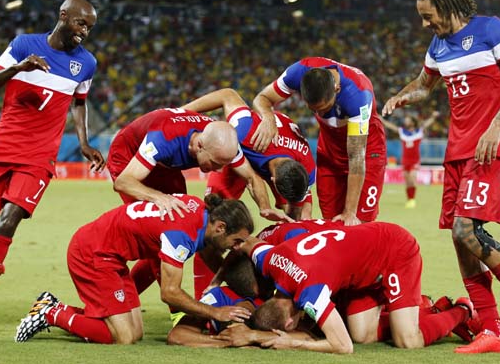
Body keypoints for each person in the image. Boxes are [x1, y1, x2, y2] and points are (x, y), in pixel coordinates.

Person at [382, 0, 500, 354]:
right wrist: (401, 96)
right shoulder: (438, 46)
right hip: (457, 152)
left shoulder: (492, 30)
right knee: (460, 242)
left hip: (490, 146)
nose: (425, 24)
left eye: (428, 16)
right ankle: (492, 331)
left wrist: (496, 127)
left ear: (446, 5)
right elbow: (425, 85)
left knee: (466, 231)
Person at [0, 0, 106, 332]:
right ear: (63, 16)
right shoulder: (23, 45)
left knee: (7, 222)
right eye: (81, 24)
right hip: (1, 147)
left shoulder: (86, 63)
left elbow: (80, 103)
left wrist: (83, 142)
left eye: (90, 28)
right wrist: (19, 69)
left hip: (38, 157)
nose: (84, 33)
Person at [14, 194, 254, 344]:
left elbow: (154, 261)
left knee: (136, 331)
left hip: (112, 257)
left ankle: (58, 308)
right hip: (92, 254)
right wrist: (215, 313)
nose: (237, 247)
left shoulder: (200, 210)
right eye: (236, 241)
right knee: (124, 338)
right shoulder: (181, 235)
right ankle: (50, 312)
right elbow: (169, 292)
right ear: (220, 227)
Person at [106, 105, 289, 300]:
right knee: (164, 232)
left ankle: (123, 298)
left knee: (187, 226)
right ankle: (172, 310)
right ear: (199, 146)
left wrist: (264, 207)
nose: (218, 171)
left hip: (164, 166)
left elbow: (252, 177)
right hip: (128, 156)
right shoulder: (163, 139)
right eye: (215, 164)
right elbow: (123, 182)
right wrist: (158, 197)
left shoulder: (221, 142)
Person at [238, 222, 475, 354]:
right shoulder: (271, 262)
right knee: (363, 335)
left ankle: (462, 311)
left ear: (290, 324)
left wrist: (293, 343)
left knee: (408, 340)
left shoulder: (311, 292)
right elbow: (247, 243)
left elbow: (343, 346)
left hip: (394, 251)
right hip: (363, 268)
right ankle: (431, 311)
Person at [251, 57, 386, 225]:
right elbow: (262, 98)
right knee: (330, 222)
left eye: (323, 108)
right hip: (329, 153)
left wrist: (350, 211)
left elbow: (356, 159)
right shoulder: (298, 72)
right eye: (312, 109)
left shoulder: (358, 95)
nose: (319, 114)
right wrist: (268, 118)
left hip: (366, 153)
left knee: (358, 223)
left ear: (337, 89)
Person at [181, 88, 315, 221]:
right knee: (215, 212)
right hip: (243, 151)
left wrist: (294, 221)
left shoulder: (308, 166)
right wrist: (180, 113)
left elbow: (297, 209)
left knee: (301, 219)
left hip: (276, 157)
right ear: (273, 180)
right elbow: (228, 95)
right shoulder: (245, 132)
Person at [381, 111, 439, 208]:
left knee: (412, 179)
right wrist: (382, 120)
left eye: (408, 120)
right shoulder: (403, 132)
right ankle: (409, 199)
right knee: (407, 181)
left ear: (413, 122)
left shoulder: (419, 132)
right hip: (405, 160)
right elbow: (391, 126)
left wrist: (433, 117)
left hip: (415, 160)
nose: (406, 121)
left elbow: (427, 124)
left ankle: (413, 199)